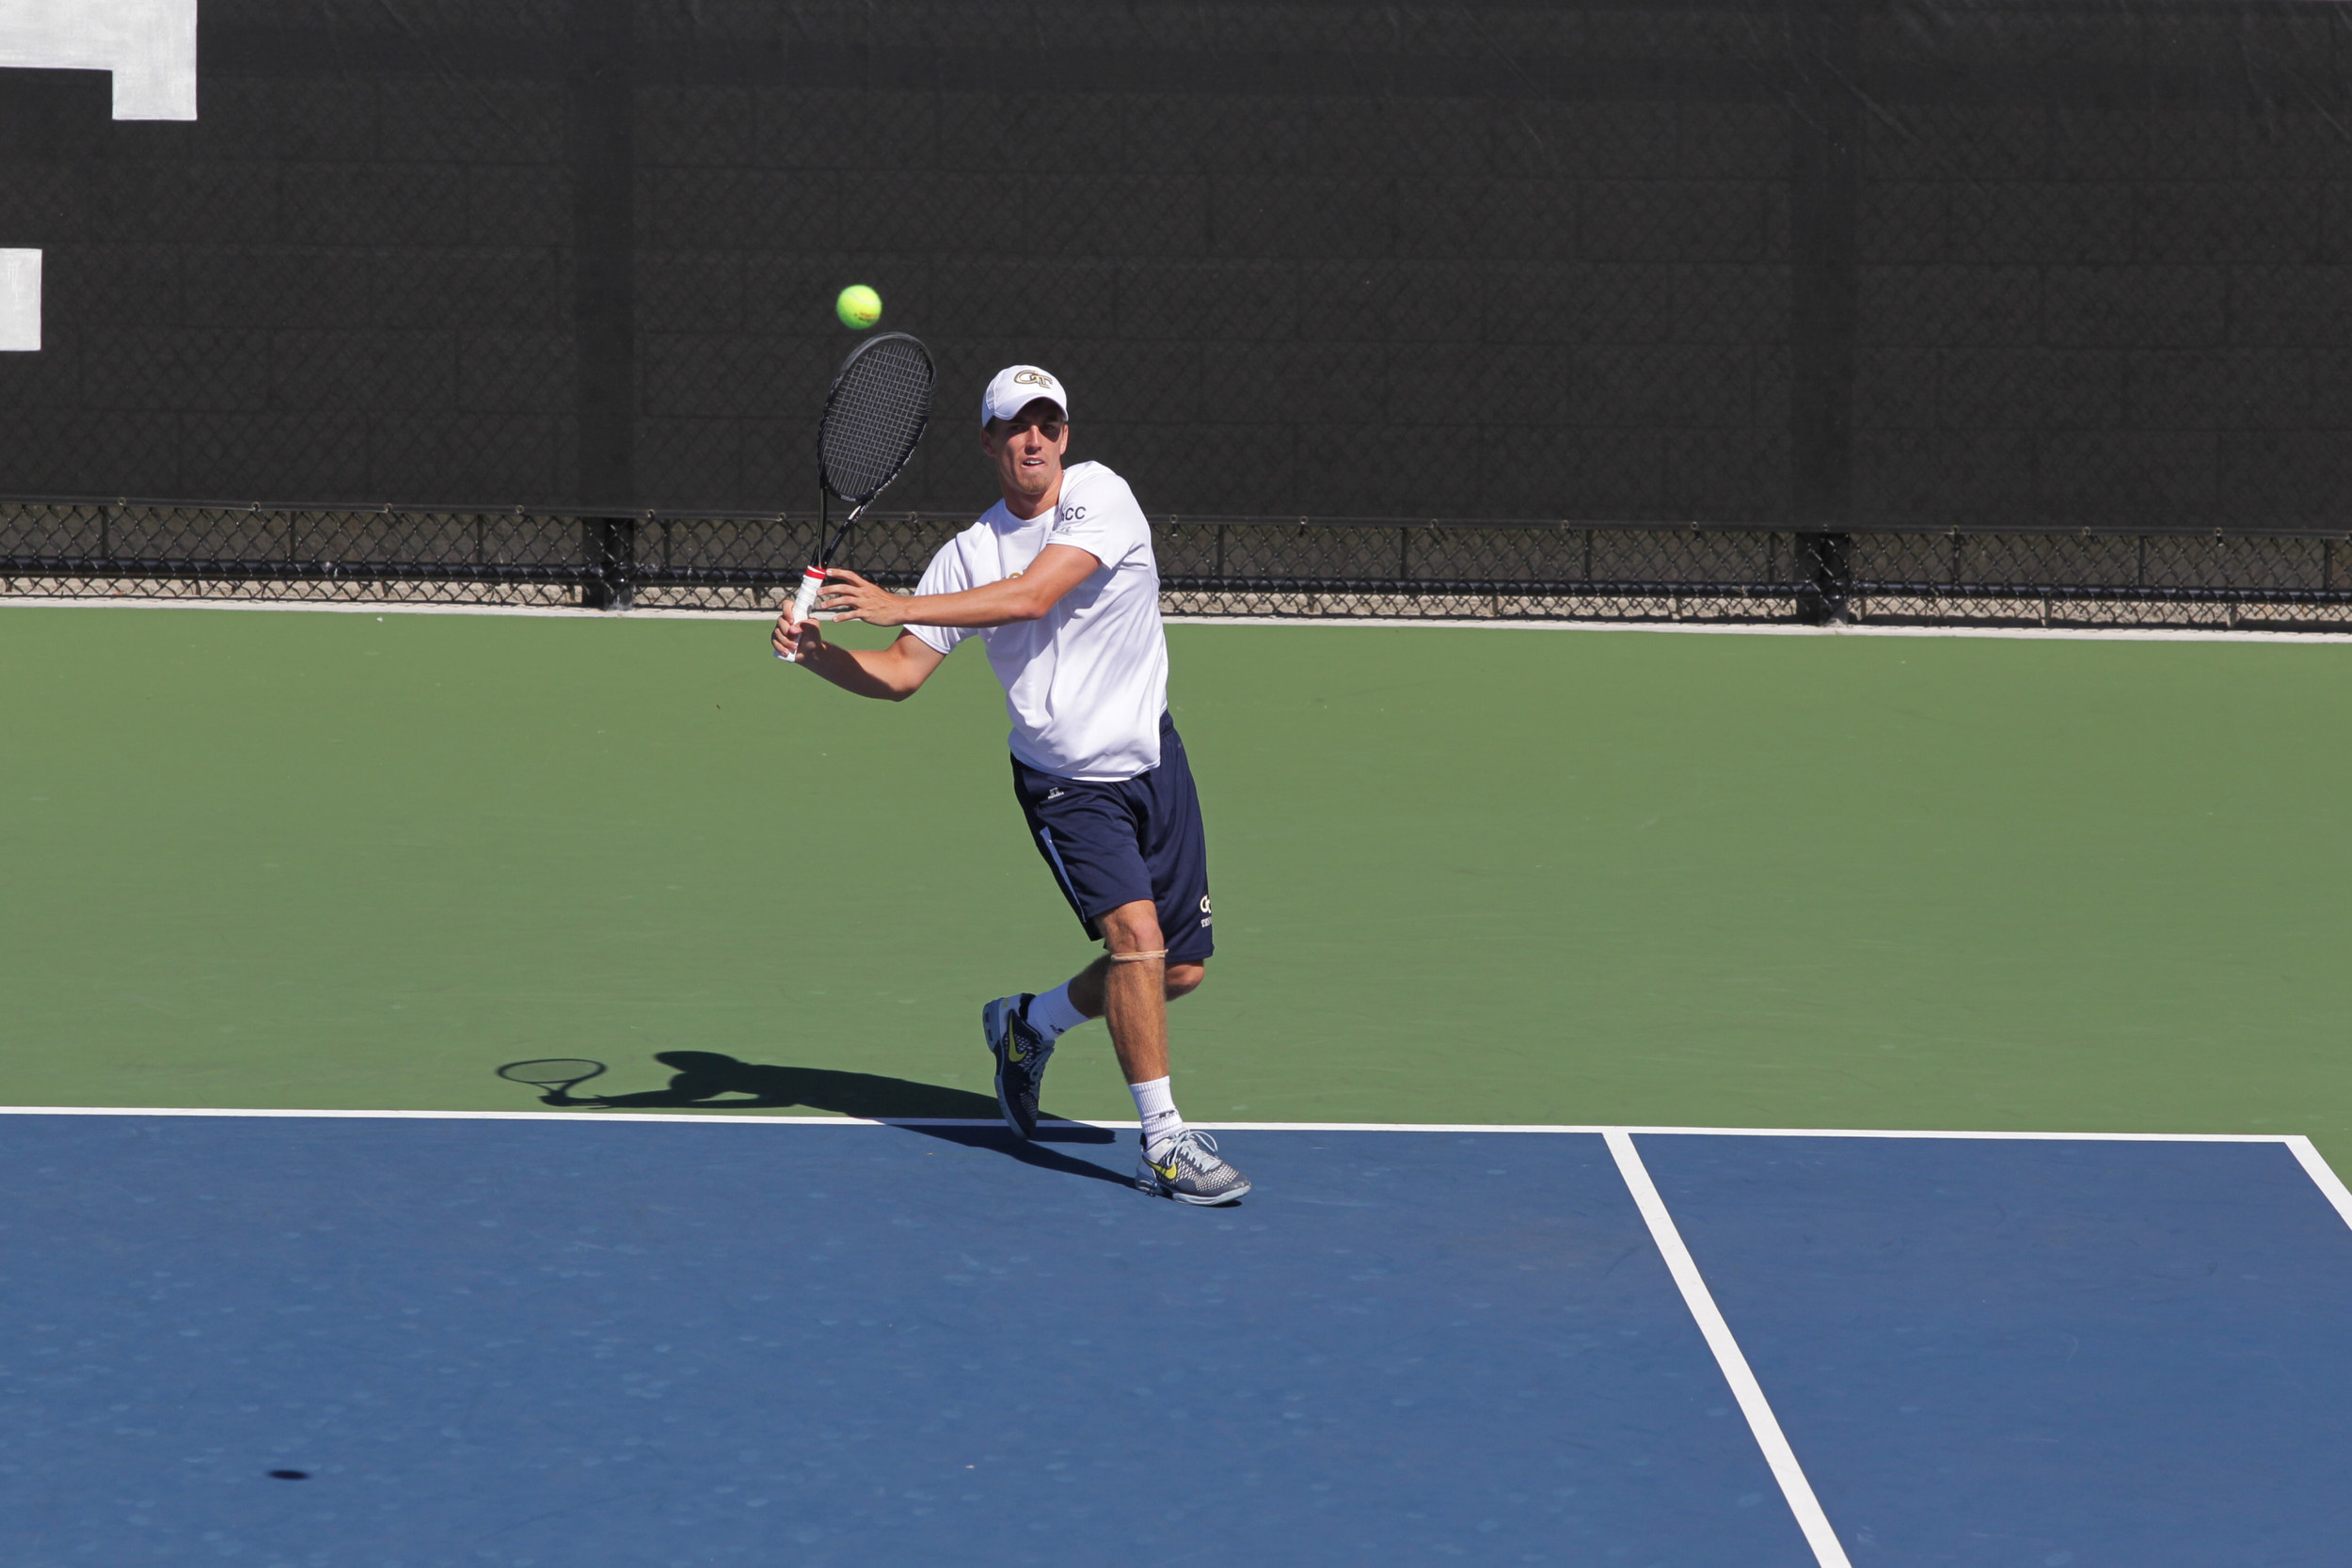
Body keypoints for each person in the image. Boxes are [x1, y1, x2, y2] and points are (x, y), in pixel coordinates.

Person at [770, 364, 1249, 1206]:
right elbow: (902, 673)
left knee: (1176, 973)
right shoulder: (966, 555)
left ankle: (1031, 1024)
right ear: (988, 440)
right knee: (1136, 938)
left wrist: (894, 602)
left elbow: (1034, 597)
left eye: (1049, 424)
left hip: (1153, 759)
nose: (1035, 439)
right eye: (1016, 425)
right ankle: (1165, 1142)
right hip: (1067, 785)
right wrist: (818, 654)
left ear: (1066, 435)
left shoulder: (1102, 494)